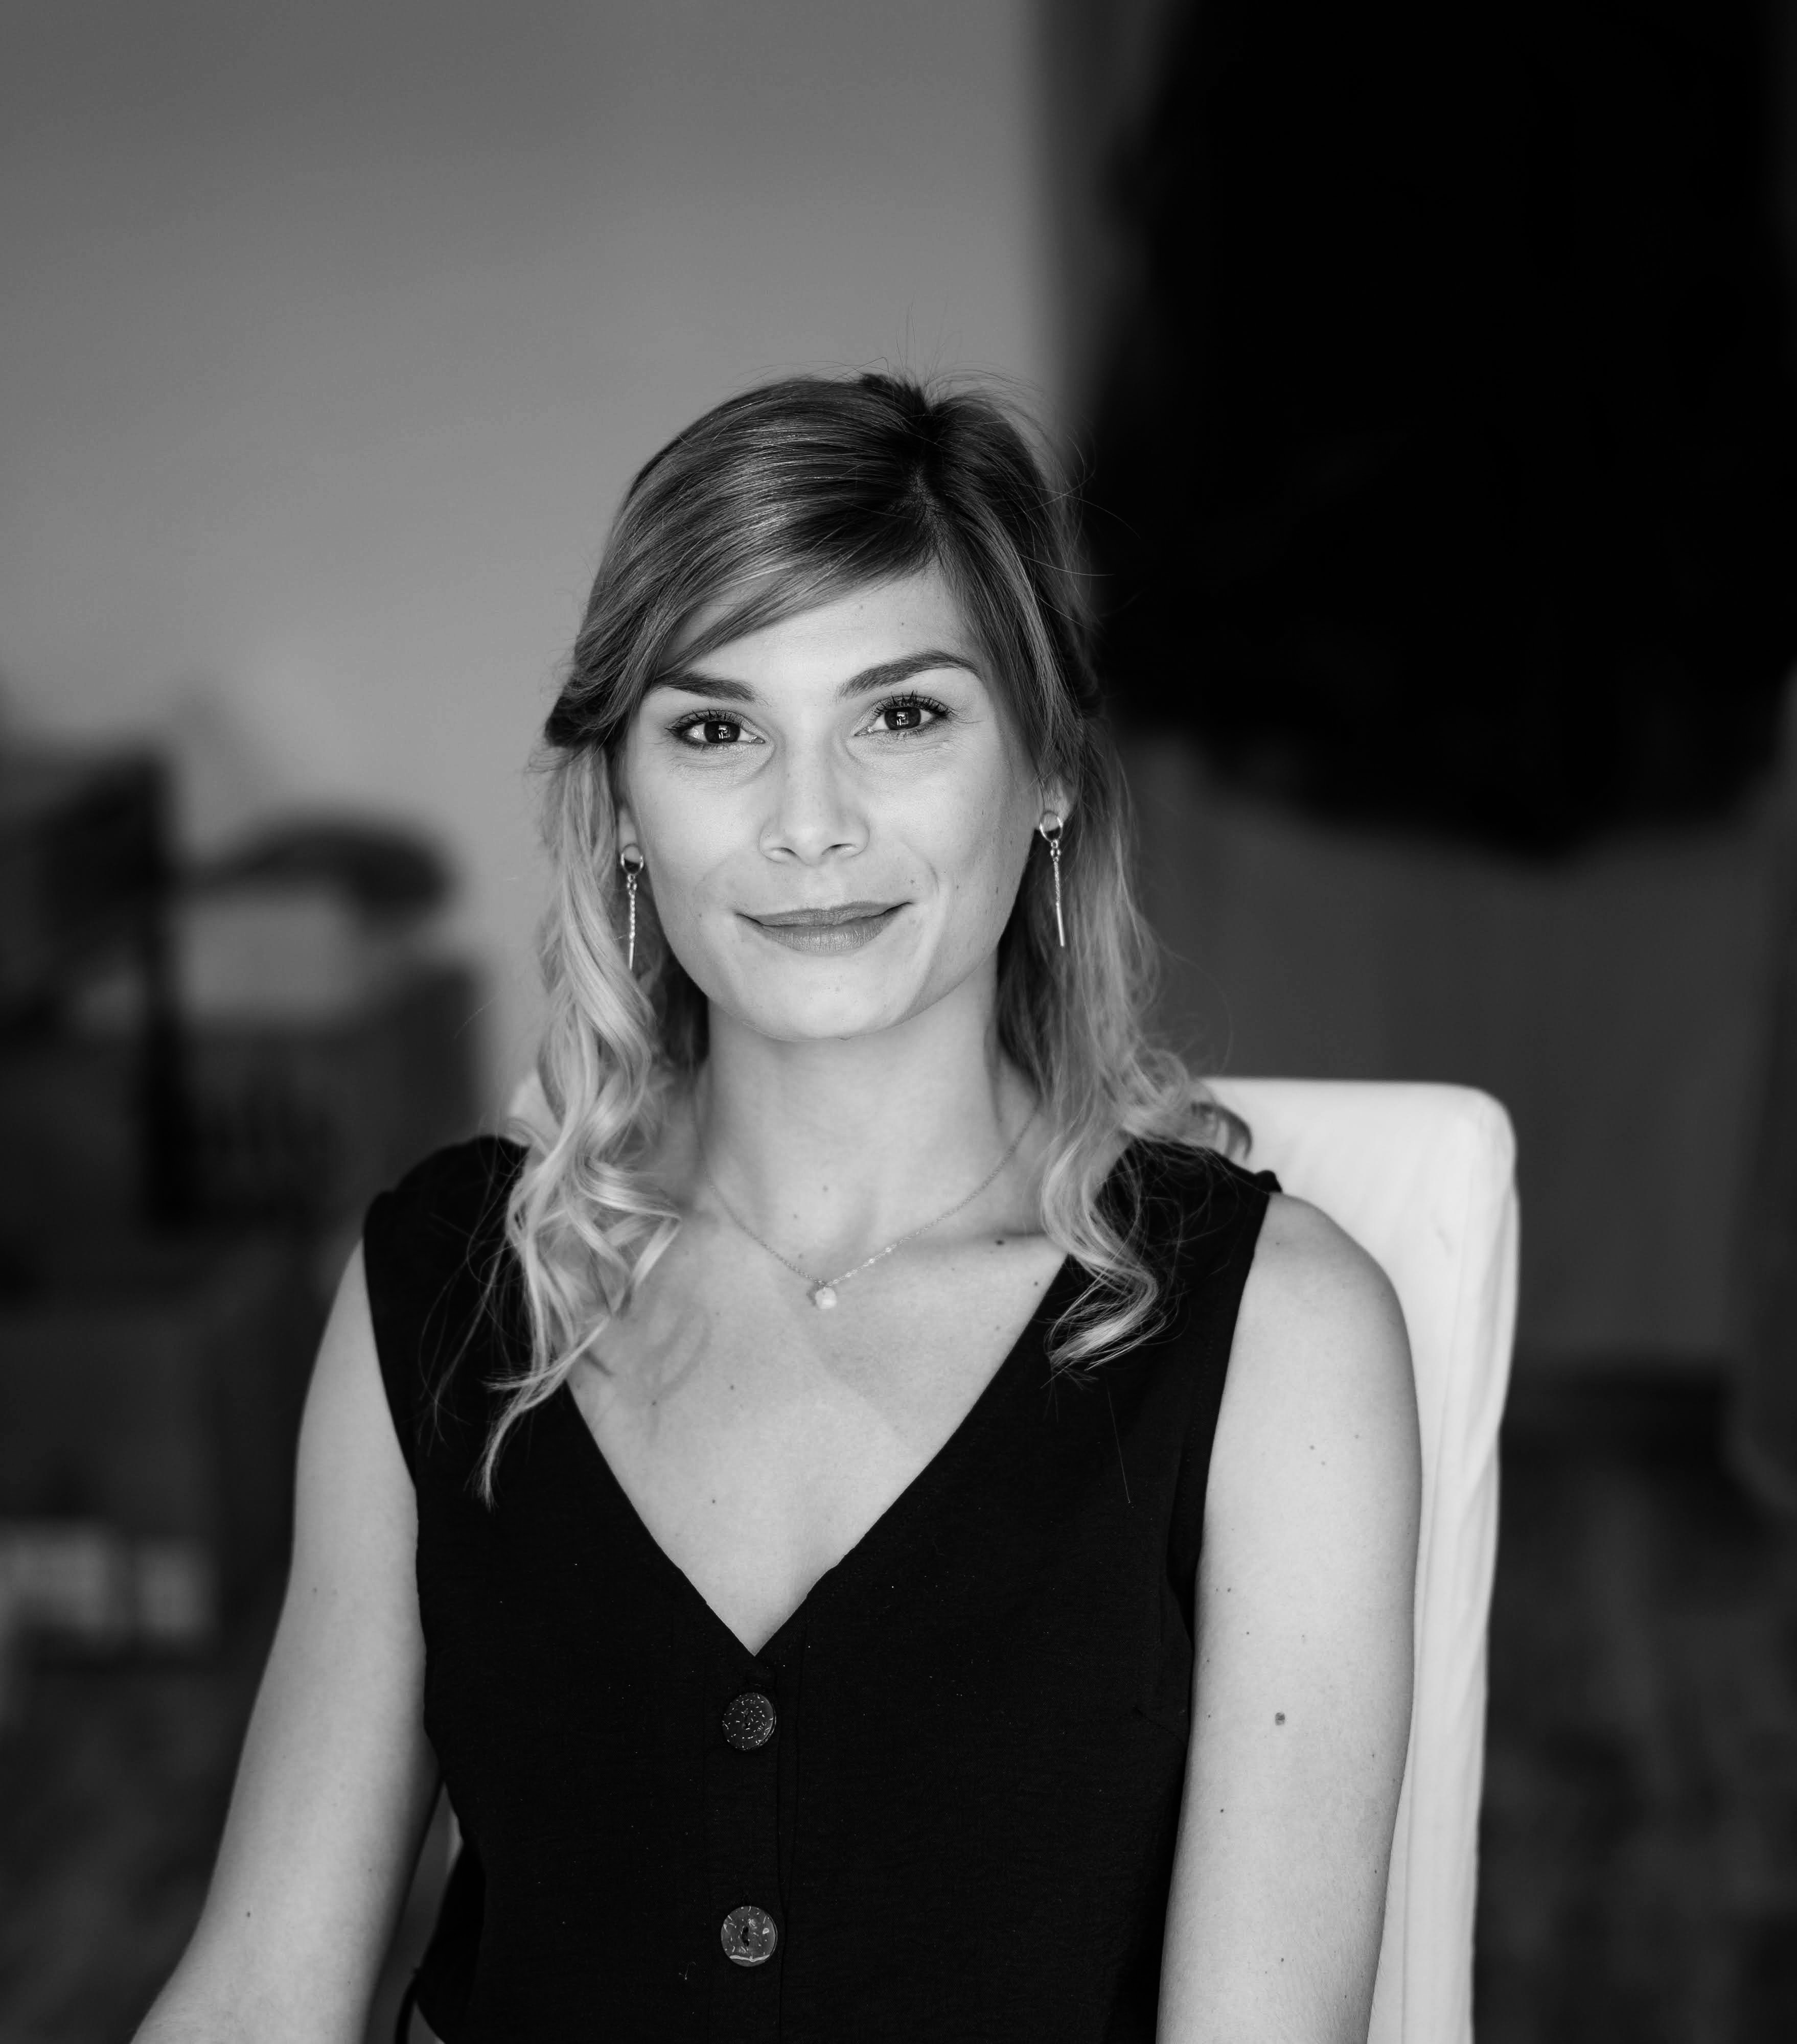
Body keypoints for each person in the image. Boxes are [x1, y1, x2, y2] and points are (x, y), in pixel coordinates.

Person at [134, 371, 1420, 2043]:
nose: (809, 826)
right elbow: (258, 1998)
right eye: (715, 730)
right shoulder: (445, 1285)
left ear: (1045, 772)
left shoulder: (1280, 1335)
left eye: (902, 717)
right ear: (621, 807)